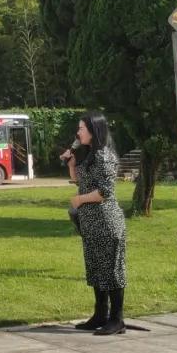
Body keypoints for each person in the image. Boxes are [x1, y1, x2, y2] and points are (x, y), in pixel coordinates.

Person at [62, 112, 128, 336]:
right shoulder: (90, 154)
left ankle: (117, 320)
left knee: (111, 270)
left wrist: (80, 200)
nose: (78, 132)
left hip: (106, 222)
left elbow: (104, 192)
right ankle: (100, 315)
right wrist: (71, 164)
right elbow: (81, 182)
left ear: (94, 131)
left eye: (82, 128)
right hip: (90, 223)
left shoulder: (104, 156)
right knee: (96, 268)